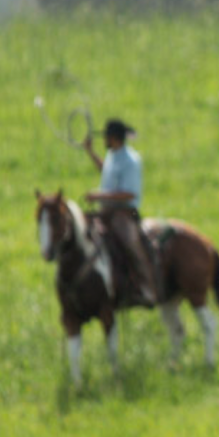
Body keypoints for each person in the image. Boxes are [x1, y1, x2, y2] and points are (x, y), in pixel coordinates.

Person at [84, 117, 159, 307]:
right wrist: (90, 152)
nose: (104, 141)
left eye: (106, 137)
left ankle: (146, 287)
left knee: (130, 243)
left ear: (114, 138)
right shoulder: (113, 155)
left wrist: (99, 195)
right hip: (106, 211)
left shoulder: (131, 161)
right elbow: (106, 172)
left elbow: (128, 194)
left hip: (125, 213)